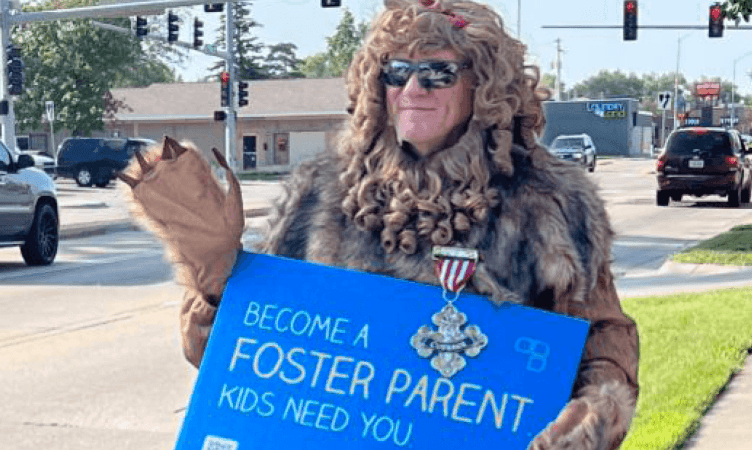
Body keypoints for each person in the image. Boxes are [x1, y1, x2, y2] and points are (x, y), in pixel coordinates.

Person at [119, 1, 639, 449]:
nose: (413, 86)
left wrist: (580, 429)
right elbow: (233, 359)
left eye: (436, 72)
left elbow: (605, 352)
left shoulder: (550, 201)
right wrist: (212, 284)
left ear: (483, 85)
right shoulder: (318, 193)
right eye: (396, 71)